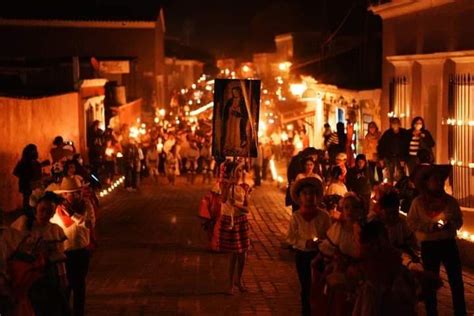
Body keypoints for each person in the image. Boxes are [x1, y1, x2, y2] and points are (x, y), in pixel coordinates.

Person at [407, 167, 466, 316]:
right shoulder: (418, 203)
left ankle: (460, 311)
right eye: (435, 179)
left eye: (441, 179)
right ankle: (431, 311)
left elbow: (459, 220)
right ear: (427, 183)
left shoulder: (451, 201)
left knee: (456, 280)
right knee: (430, 281)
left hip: (448, 243)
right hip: (429, 245)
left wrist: (450, 224)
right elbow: (411, 222)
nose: (439, 182)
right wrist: (429, 227)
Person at [10, 191, 69, 316]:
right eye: (43, 210)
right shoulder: (24, 224)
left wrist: (63, 278)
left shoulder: (55, 230)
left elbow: (59, 257)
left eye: (50, 211)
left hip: (49, 275)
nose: (45, 214)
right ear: (36, 208)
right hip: (27, 276)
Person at [51, 177, 95, 316]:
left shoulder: (86, 204)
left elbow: (89, 224)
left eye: (78, 192)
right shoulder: (57, 210)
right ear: (64, 194)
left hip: (82, 252)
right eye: (71, 192)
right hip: (65, 253)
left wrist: (73, 215)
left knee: (79, 286)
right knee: (65, 287)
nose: (76, 195)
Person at [352, 220, 417, 316]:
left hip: (390, 296)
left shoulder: (392, 254)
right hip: (375, 295)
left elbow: (402, 263)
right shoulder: (367, 255)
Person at [286, 177, 331, 316]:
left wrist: (321, 243)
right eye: (305, 193)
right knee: (306, 286)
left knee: (318, 286)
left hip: (319, 256)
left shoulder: (324, 216)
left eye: (312, 193)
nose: (309, 197)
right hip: (303, 256)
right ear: (300, 197)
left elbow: (329, 236)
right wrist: (305, 243)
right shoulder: (296, 217)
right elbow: (290, 237)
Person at [217, 161, 251, 295]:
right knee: (233, 254)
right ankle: (230, 283)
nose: (240, 173)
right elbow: (223, 199)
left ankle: (239, 279)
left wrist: (237, 205)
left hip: (241, 220)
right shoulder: (224, 185)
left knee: (243, 254)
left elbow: (247, 208)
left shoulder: (244, 187)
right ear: (231, 172)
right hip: (230, 220)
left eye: (241, 170)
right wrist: (229, 184)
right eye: (237, 170)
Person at [377, 117, 409, 183]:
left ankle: (399, 190)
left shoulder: (404, 133)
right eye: (393, 123)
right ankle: (389, 190)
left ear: (399, 124)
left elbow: (406, 146)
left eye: (396, 123)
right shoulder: (387, 133)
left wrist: (404, 158)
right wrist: (381, 157)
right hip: (389, 157)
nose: (395, 125)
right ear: (391, 124)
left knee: (400, 175)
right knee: (389, 175)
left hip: (400, 157)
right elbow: (381, 145)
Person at [13, 144, 44, 209]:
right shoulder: (24, 162)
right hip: (27, 186)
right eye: (34, 151)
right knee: (27, 202)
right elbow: (16, 172)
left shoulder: (35, 162)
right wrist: (26, 177)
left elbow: (38, 174)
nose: (36, 152)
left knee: (32, 201)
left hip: (33, 185)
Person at [222, 87, 249, 154]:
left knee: (237, 132)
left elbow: (245, 113)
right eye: (234, 92)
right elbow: (226, 110)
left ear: (239, 92)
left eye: (236, 92)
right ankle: (230, 146)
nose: (235, 93)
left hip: (238, 121)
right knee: (230, 132)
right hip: (230, 120)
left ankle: (236, 146)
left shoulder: (242, 101)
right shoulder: (230, 101)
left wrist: (238, 114)